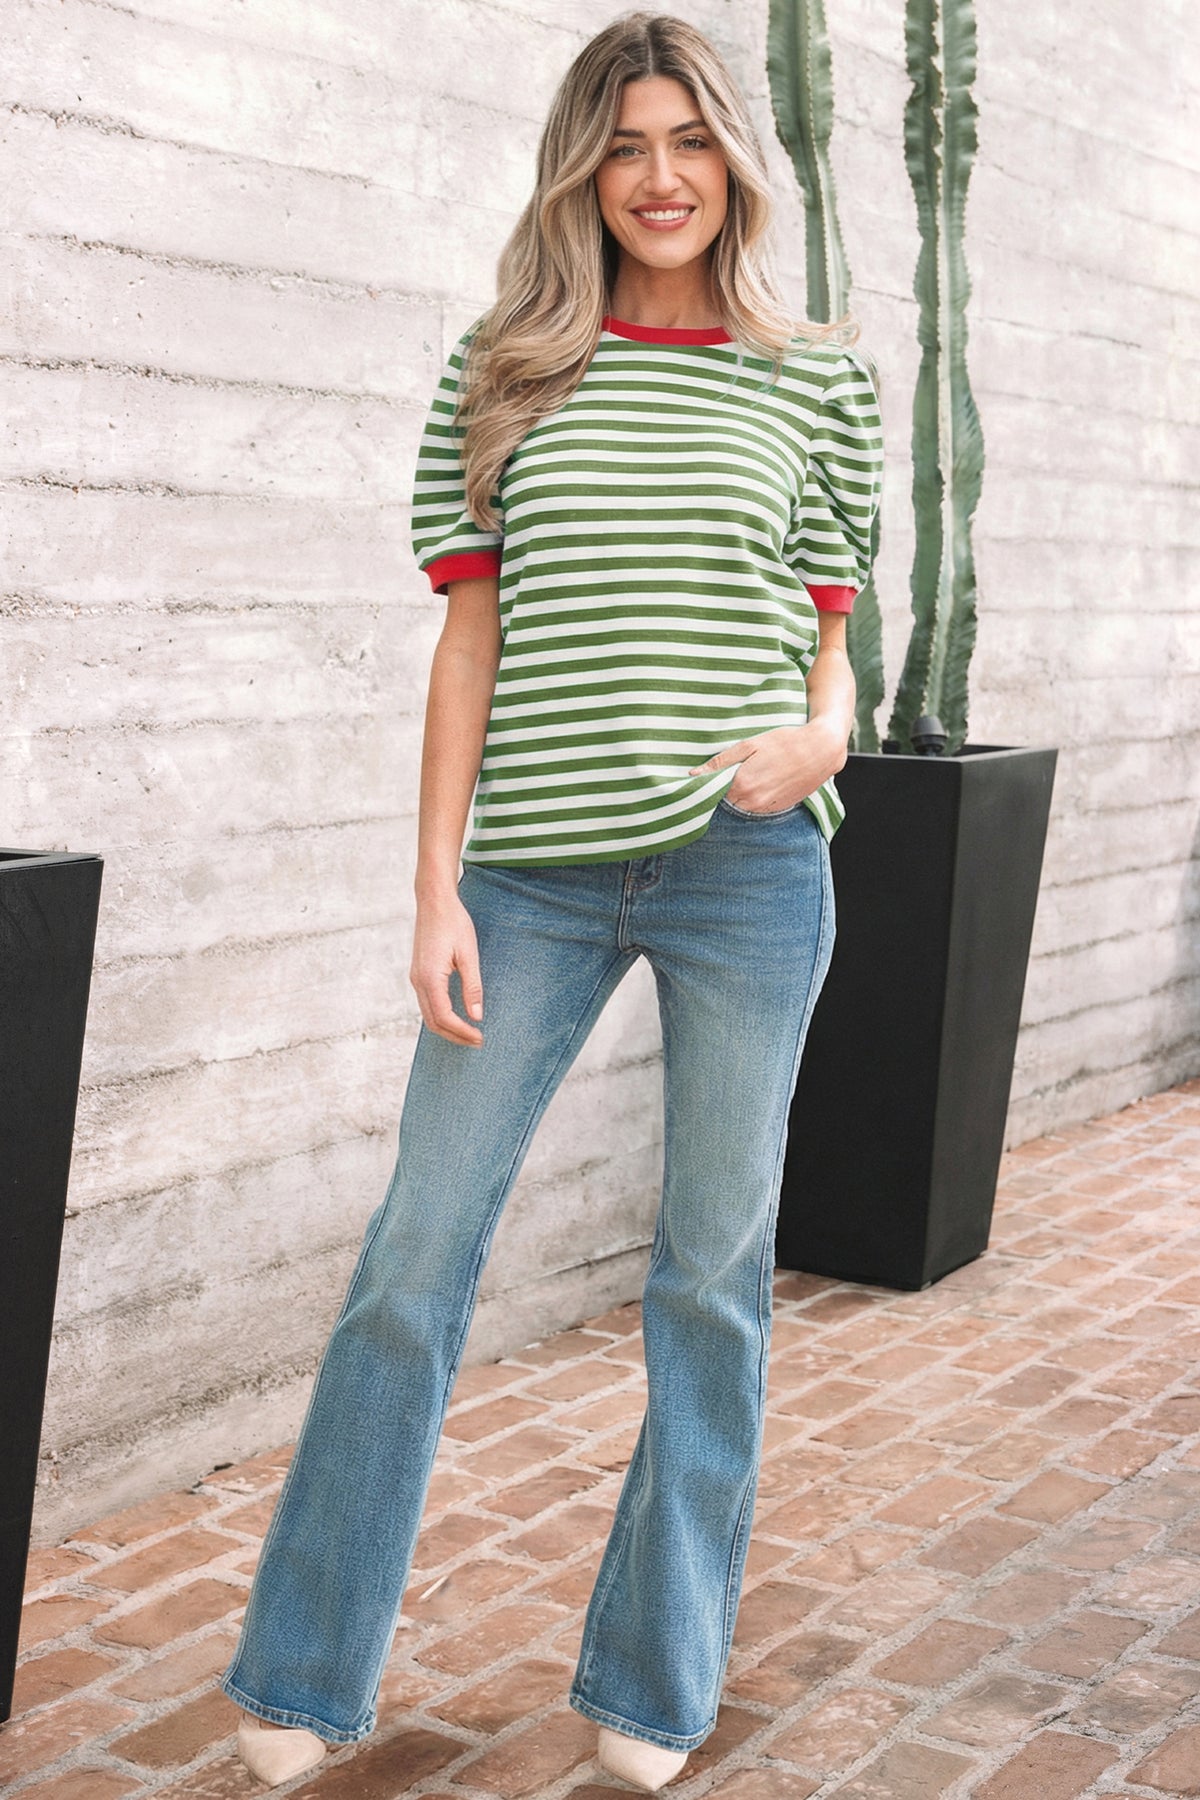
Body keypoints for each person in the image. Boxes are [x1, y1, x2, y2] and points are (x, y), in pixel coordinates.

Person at [219, 11, 882, 1791]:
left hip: (749, 866)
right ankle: (303, 1671)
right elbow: (470, 640)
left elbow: (834, 641)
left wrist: (823, 739)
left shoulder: (817, 380)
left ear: (734, 160)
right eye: (624, 144)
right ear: (582, 169)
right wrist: (432, 887)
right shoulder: (509, 365)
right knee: (416, 1253)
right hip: (530, 874)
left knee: (712, 1274)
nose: (660, 177)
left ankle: (652, 1686)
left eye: (689, 140)